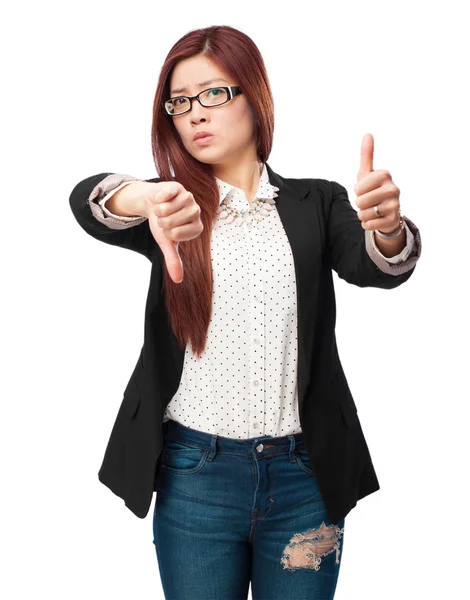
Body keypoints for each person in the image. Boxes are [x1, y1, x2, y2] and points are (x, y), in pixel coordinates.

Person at [69, 24, 422, 600]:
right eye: (179, 102)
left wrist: (387, 230)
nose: (193, 115)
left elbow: (379, 268)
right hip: (195, 476)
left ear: (254, 97)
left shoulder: (317, 202)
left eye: (212, 93)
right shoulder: (173, 209)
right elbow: (88, 199)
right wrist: (144, 198)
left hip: (304, 476)